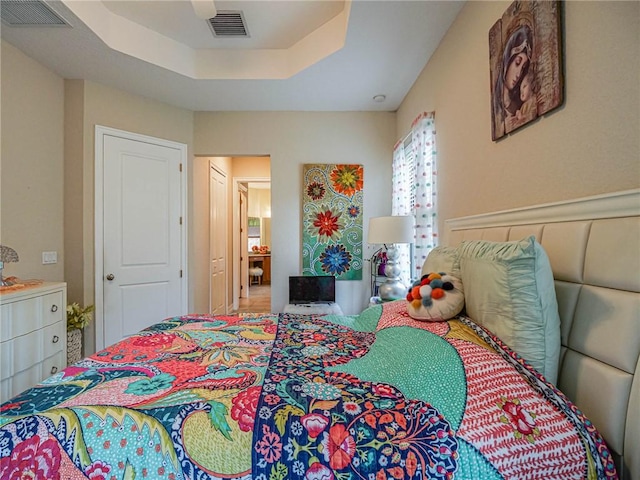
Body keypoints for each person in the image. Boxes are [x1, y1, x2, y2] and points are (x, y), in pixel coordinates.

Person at [492, 24, 534, 136]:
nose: (519, 74)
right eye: (517, 63)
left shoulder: (519, 104)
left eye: (523, 68)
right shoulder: (496, 105)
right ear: (507, 62)